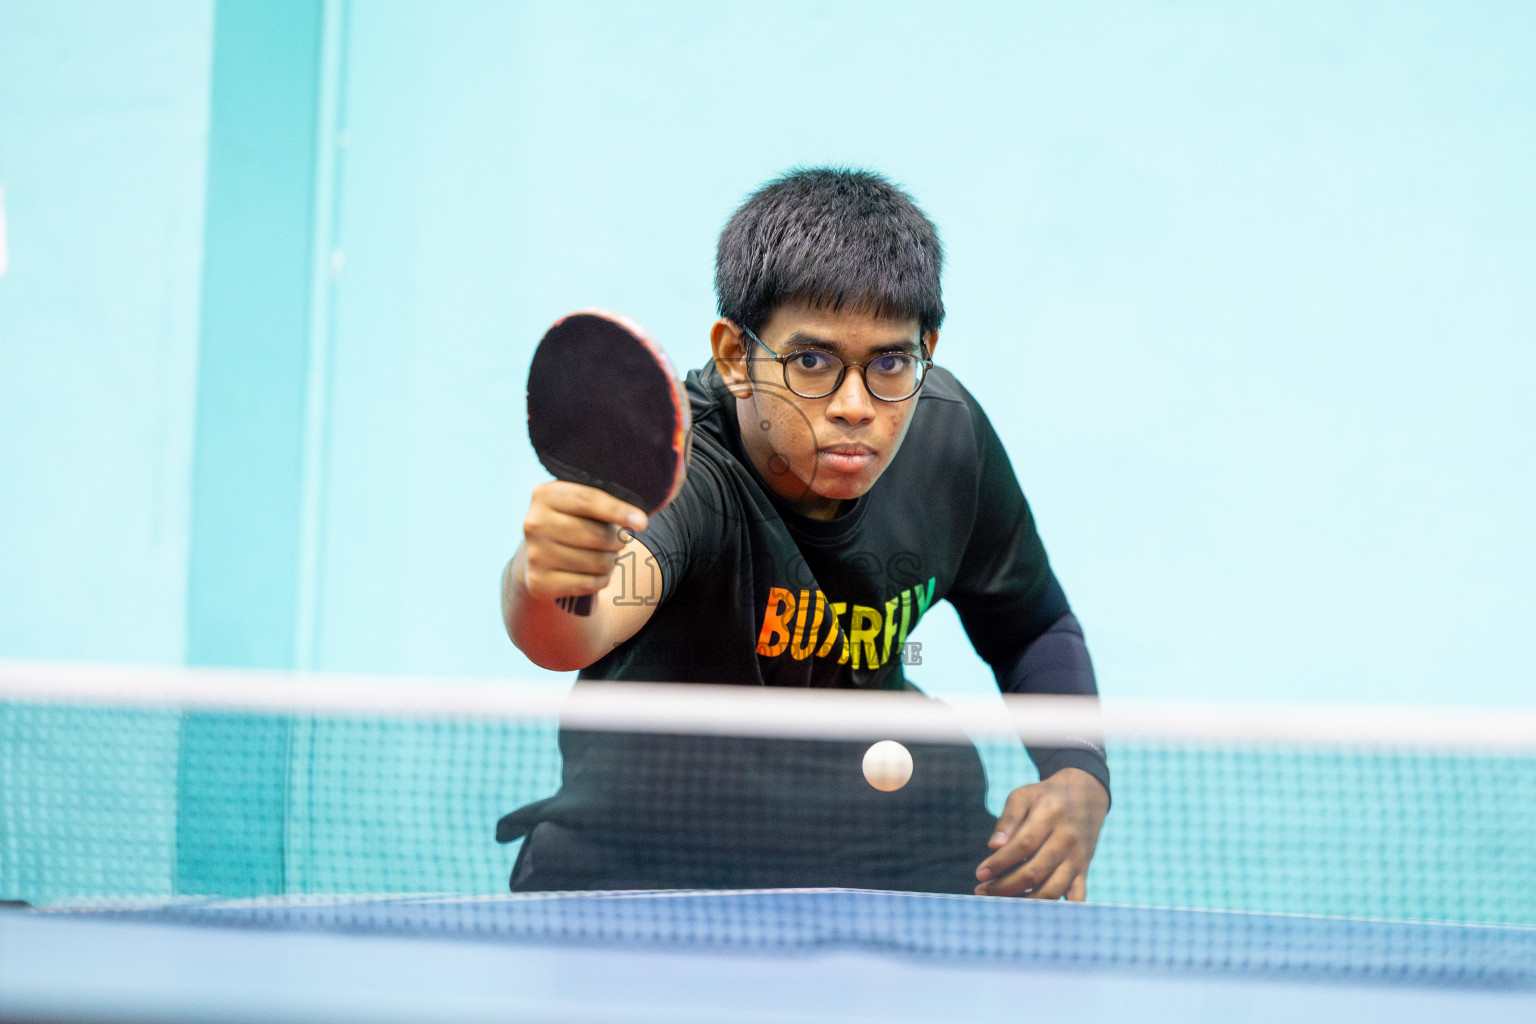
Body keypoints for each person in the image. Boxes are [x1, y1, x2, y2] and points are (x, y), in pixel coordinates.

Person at [498, 167, 1109, 898]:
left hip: (896, 851)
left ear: (928, 350)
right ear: (734, 356)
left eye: (890, 362)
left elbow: (1031, 623)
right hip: (650, 865)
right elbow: (571, 633)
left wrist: (1078, 778)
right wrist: (546, 580)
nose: (856, 405)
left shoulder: (950, 441)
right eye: (812, 362)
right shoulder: (689, 468)